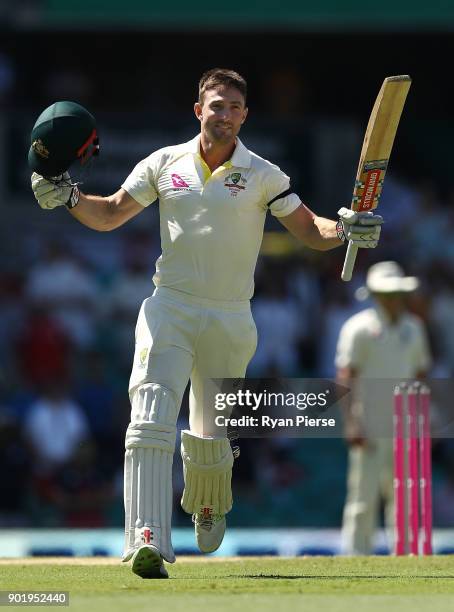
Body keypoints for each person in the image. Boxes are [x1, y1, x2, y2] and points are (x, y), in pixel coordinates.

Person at [31, 68, 383, 578]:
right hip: (169, 308)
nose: (226, 115)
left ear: (245, 115)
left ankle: (208, 500)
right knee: (149, 417)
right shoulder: (164, 163)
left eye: (235, 107)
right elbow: (108, 214)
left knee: (210, 433)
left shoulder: (264, 174)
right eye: (216, 105)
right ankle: (145, 537)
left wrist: (347, 227)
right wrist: (67, 196)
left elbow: (311, 230)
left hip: (230, 316)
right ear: (199, 110)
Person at [336, 261, 431, 555]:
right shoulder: (358, 328)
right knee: (362, 498)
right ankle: (355, 558)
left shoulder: (414, 328)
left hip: (405, 423)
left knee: (405, 496)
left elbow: (419, 374)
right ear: (375, 294)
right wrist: (352, 423)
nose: (391, 299)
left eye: (395, 293)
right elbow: (345, 376)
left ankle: (406, 558)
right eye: (385, 293)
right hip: (369, 423)